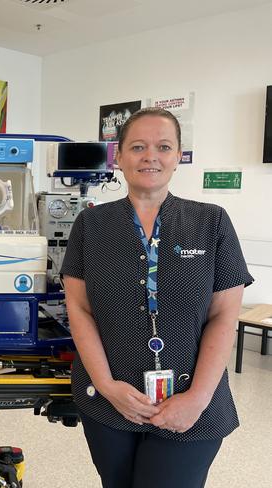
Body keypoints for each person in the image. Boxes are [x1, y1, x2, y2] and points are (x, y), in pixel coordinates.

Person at [61, 107, 253, 488]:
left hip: (192, 402)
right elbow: (80, 309)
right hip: (110, 400)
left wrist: (197, 398)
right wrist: (107, 386)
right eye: (138, 146)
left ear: (178, 156)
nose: (151, 156)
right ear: (119, 157)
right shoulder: (92, 224)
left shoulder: (211, 221)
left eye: (163, 146)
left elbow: (223, 317)